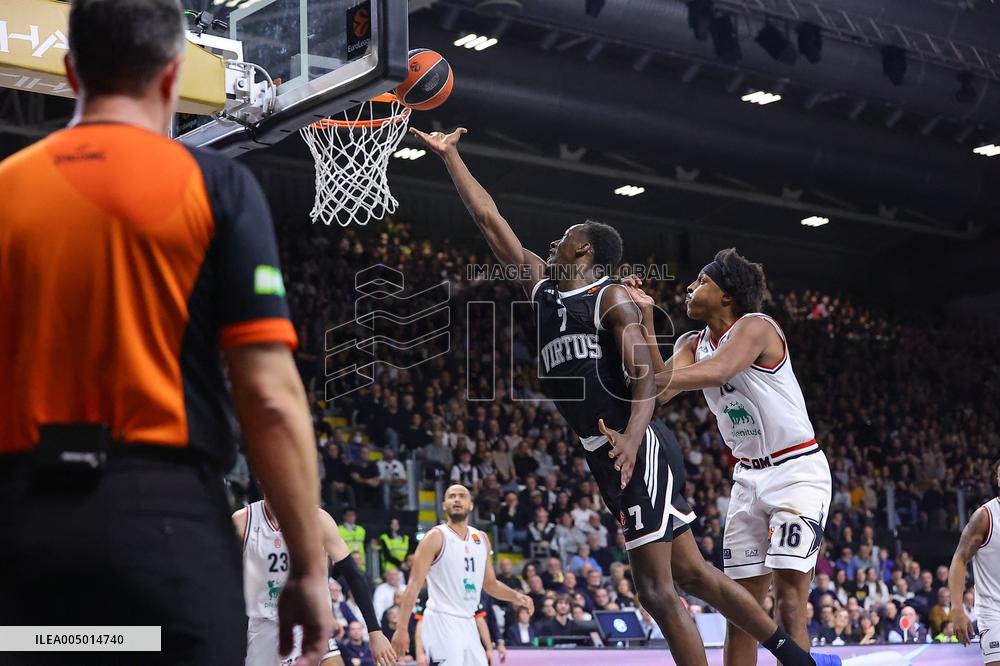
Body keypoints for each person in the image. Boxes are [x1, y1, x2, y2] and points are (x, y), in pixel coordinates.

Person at [411, 126, 839, 666]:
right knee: (690, 576)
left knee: (658, 592)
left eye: (563, 238)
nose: (551, 244)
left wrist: (635, 437)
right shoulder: (544, 289)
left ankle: (790, 652)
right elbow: (490, 220)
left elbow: (645, 379)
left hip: (640, 447)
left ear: (584, 249)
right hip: (610, 450)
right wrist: (451, 157)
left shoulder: (608, 295)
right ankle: (790, 654)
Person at [0, 1, 333, 664]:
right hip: (164, 528)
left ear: (70, 73)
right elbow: (269, 396)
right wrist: (307, 567)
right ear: (174, 75)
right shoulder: (218, 188)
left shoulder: (6, 190)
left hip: (24, 533)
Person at [636, 248, 833, 664]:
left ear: (728, 294)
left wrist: (650, 377)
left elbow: (721, 370)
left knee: (790, 602)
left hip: (796, 472)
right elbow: (661, 389)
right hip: (747, 479)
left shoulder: (755, 326)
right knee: (741, 609)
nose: (690, 288)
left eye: (701, 281)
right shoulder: (693, 342)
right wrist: (645, 321)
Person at [236, 499, 395, 666]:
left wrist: (374, 631)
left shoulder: (317, 519)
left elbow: (353, 574)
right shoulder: (243, 520)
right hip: (263, 623)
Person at [391, 484, 534, 665]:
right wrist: (402, 628)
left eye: (461, 496)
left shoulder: (481, 538)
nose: (457, 499)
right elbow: (413, 585)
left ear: (471, 505)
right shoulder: (435, 537)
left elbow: (490, 584)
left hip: (468, 621)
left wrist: (516, 596)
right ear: (444, 505)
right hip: (441, 620)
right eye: (451, 496)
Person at [949, 458, 1000, 664]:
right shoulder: (985, 516)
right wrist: (957, 608)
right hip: (994, 611)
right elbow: (959, 559)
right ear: (997, 479)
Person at [339, 508, 367, 573]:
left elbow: (364, 545)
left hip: (360, 562)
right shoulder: (339, 530)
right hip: (346, 561)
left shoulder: (361, 530)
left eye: (353, 515)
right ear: (344, 516)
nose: (351, 517)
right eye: (348, 515)